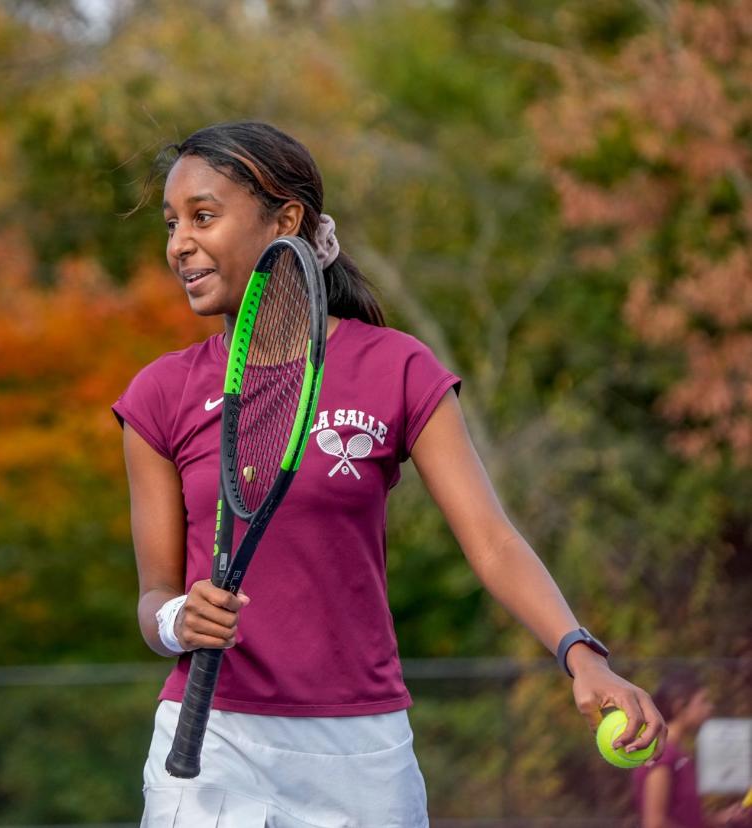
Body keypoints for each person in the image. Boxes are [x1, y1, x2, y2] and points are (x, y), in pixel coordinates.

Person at [112, 121, 667, 827]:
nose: (178, 244)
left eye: (204, 217)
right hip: (210, 746)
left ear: (286, 219)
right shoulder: (158, 396)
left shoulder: (398, 368)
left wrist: (580, 653)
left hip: (363, 754)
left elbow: (490, 540)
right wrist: (176, 618)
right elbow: (152, 596)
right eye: (171, 223)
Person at [634, 672, 751, 828]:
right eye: (703, 701)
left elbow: (688, 819)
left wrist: (723, 818)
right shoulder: (663, 755)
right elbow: (656, 823)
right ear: (679, 707)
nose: (710, 707)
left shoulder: (679, 754)